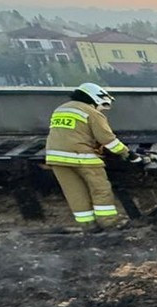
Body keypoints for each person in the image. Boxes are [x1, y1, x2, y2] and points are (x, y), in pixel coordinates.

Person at [44, 83, 144, 232]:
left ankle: (88, 226)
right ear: (95, 98)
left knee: (75, 192)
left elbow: (70, 133)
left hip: (56, 158)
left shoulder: (61, 109)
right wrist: (128, 154)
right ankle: (109, 222)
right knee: (100, 189)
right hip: (81, 156)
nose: (102, 108)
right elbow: (108, 139)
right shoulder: (91, 112)